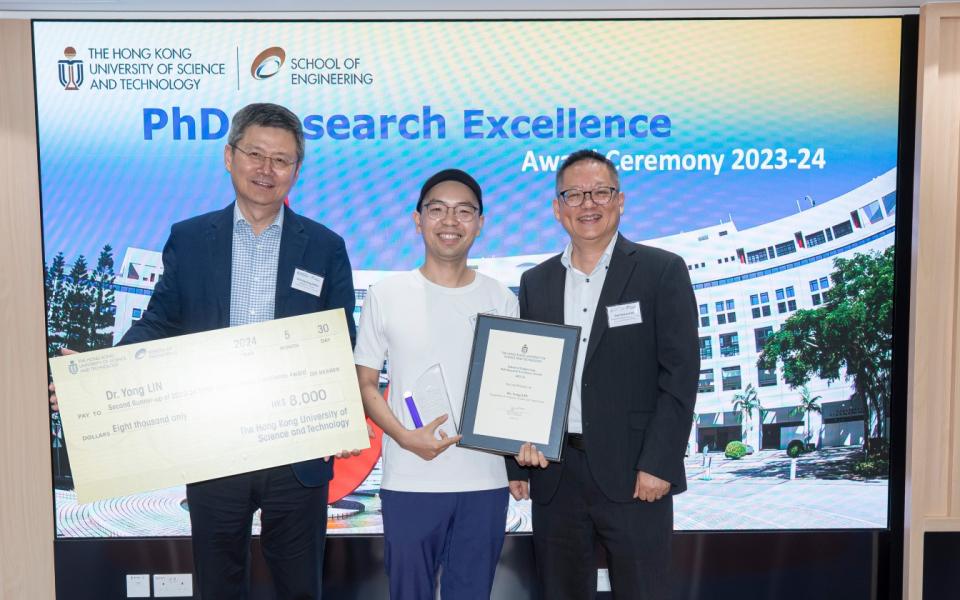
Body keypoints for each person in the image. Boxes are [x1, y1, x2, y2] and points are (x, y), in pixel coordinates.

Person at [52, 102, 358, 600]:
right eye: (255, 153)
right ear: (229, 156)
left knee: (301, 588)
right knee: (218, 586)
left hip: (297, 452)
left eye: (281, 160)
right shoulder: (191, 239)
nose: (266, 169)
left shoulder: (325, 247)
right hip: (214, 446)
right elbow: (160, 323)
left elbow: (341, 340)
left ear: (296, 171)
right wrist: (94, 381)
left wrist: (341, 412)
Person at [508, 149, 700, 600]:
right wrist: (514, 460)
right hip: (556, 477)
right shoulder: (536, 282)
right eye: (574, 195)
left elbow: (680, 375)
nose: (587, 204)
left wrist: (659, 462)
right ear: (557, 208)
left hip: (636, 475)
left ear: (620, 200)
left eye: (600, 192)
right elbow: (523, 375)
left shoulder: (661, 270)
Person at [354, 169, 519, 599]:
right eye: (438, 210)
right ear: (417, 219)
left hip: (484, 481)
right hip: (411, 479)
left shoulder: (501, 298)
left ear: (480, 223)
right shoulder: (385, 294)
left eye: (464, 211)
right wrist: (405, 438)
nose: (451, 221)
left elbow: (517, 387)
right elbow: (366, 382)